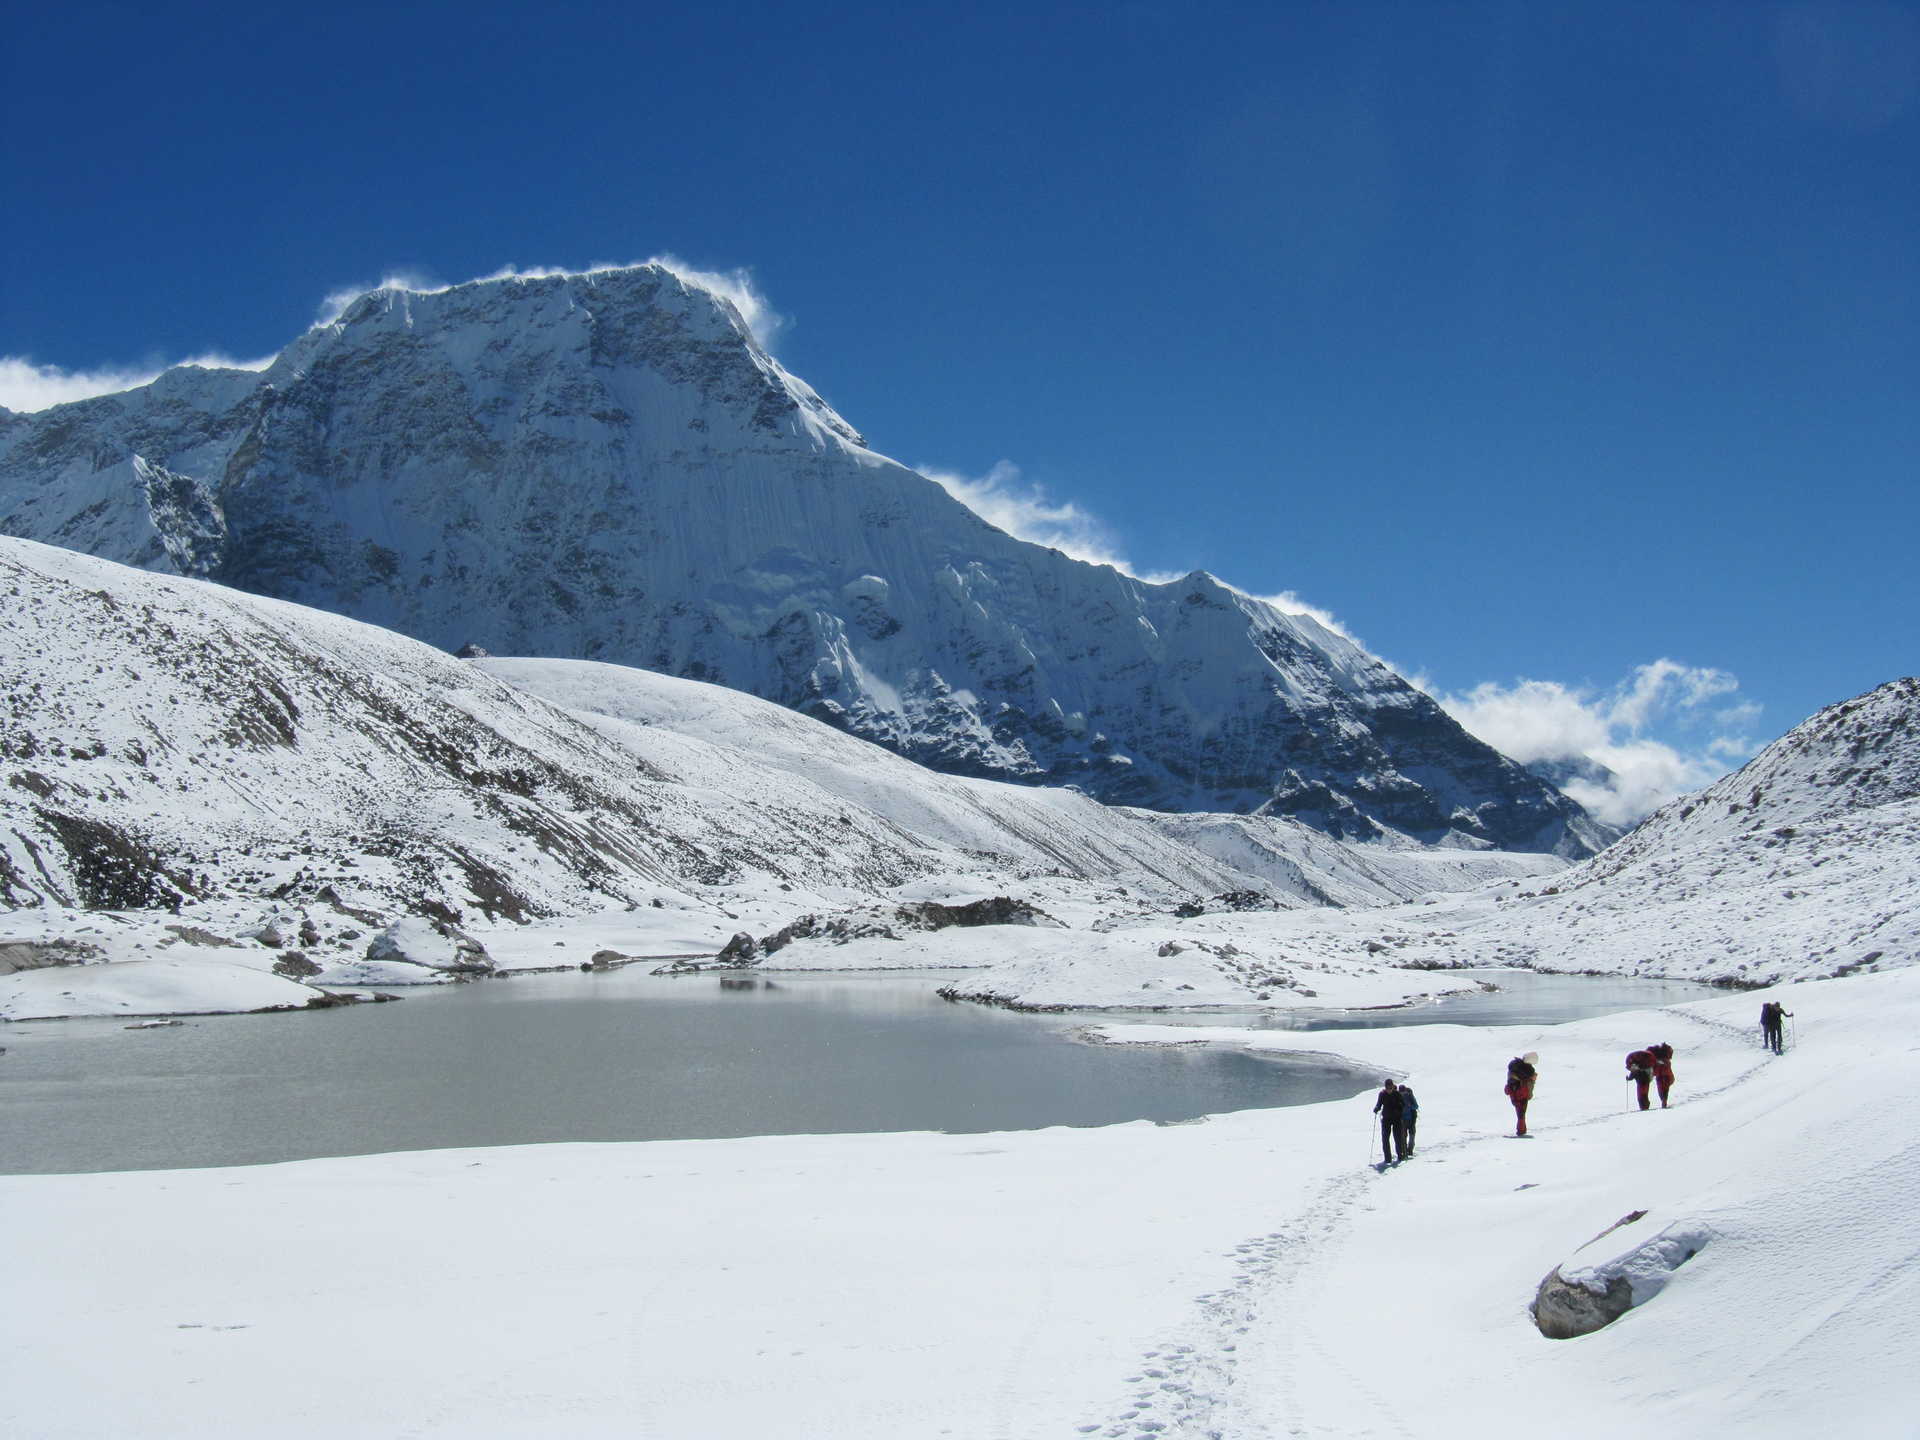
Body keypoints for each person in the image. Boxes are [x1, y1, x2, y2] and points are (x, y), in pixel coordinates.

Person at [1373, 1078, 1407, 1163]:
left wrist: (1398, 1109)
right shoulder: (1382, 1094)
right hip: (1386, 1118)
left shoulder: (1397, 1094)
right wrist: (1377, 1108)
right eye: (1387, 1088)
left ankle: (1400, 1155)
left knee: (1397, 1138)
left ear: (1392, 1086)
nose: (1389, 1090)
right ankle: (1387, 1158)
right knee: (1385, 1138)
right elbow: (1379, 1103)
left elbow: (1403, 1104)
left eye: (1390, 1088)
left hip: (1397, 1119)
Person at [1504, 1054, 1536, 1136]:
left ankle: (1522, 1130)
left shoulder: (1515, 1066)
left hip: (1513, 1091)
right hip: (1521, 1092)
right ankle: (1521, 1131)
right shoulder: (1528, 1069)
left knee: (1520, 1112)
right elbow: (1527, 1081)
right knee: (1521, 1112)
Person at [1647, 1042, 1675, 1107]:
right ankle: (1664, 1102)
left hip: (1660, 1076)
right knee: (1664, 1089)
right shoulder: (1666, 1061)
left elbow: (1655, 1069)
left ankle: (1664, 1101)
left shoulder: (1659, 1060)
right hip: (1665, 1076)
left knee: (1661, 1089)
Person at [1399, 1081, 1419, 1155]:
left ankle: (1407, 1150)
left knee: (1407, 1135)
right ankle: (1407, 1150)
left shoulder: (1409, 1096)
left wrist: (1409, 1106)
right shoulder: (1408, 1096)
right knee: (1410, 1135)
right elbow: (1416, 1106)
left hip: (1408, 1119)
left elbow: (1416, 1106)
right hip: (1409, 1119)